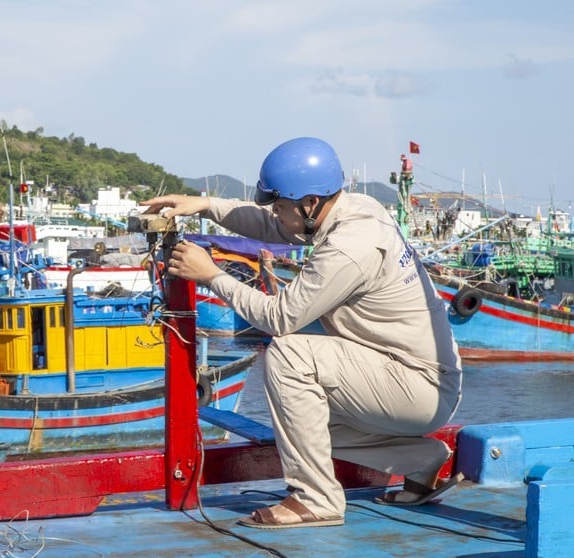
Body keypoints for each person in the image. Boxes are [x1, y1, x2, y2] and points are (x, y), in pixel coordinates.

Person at [140, 137, 463, 529]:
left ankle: (316, 498)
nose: (276, 216)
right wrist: (206, 205)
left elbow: (279, 318)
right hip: (411, 378)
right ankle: (421, 461)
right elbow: (271, 225)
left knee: (289, 355)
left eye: (280, 206)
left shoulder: (349, 247)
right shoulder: (353, 209)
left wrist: (212, 275)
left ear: (310, 204)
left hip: (418, 386)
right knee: (301, 421)